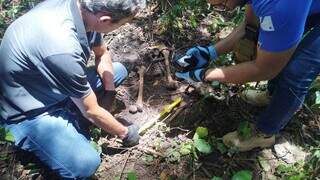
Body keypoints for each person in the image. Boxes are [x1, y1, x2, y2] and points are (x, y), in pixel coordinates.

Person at [0, 0, 145, 178]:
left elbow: (102, 53)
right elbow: (91, 111)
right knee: (86, 164)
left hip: (51, 84)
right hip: (28, 112)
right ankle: (64, 123)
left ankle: (73, 114)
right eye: (123, 23)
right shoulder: (61, 45)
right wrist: (125, 133)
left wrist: (110, 91)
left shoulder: (83, 11)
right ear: (105, 19)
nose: (124, 26)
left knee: (117, 71)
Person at [175, 0, 320, 151]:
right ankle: (272, 95)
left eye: (219, 3)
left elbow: (265, 69)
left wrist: (205, 74)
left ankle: (265, 133)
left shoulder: (279, 8)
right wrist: (210, 52)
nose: (212, 5)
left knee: (296, 74)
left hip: (290, 8)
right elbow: (250, 26)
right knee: (282, 43)